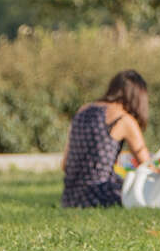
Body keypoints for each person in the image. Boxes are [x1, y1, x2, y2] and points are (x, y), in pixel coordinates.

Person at [61, 70, 153, 208]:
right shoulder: (123, 119)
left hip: (70, 197)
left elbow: (64, 164)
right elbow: (146, 166)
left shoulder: (82, 110)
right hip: (101, 195)